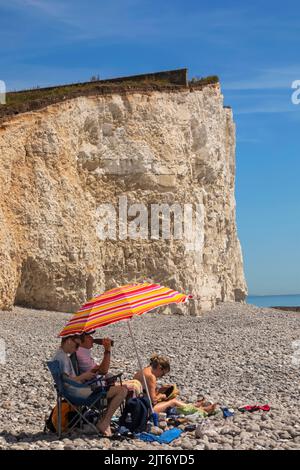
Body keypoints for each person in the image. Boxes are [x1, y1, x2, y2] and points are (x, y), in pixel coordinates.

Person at [52, 335, 127, 436]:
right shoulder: (62, 358)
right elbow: (67, 381)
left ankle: (104, 421)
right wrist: (84, 376)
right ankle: (104, 422)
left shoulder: (60, 355)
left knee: (116, 387)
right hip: (79, 394)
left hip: (72, 393)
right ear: (69, 341)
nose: (77, 348)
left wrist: (88, 375)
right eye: (77, 345)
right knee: (122, 390)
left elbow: (66, 381)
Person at [76, 332, 143, 398]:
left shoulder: (83, 351)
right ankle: (132, 408)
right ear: (80, 340)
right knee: (134, 387)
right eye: (88, 336)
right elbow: (103, 371)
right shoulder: (81, 354)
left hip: (100, 382)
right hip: (97, 387)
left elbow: (98, 369)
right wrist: (107, 350)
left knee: (136, 383)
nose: (92, 338)